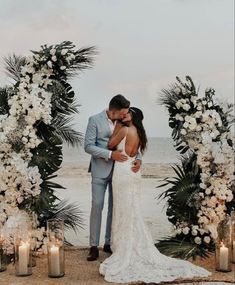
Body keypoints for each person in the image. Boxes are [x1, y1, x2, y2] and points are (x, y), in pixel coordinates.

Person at [99, 107, 211, 283]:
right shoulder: (140, 133)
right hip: (134, 173)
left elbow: (110, 145)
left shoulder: (125, 129)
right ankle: (126, 243)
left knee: (123, 210)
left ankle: (123, 247)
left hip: (122, 172)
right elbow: (136, 153)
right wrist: (138, 160)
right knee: (131, 209)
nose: (124, 115)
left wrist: (118, 126)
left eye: (127, 114)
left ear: (133, 117)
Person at [84, 95, 141, 261]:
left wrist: (139, 159)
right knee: (97, 205)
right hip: (99, 170)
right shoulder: (94, 120)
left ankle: (108, 242)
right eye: (122, 113)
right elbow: (88, 146)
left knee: (114, 207)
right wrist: (110, 154)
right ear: (113, 111)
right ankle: (93, 245)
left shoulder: (124, 122)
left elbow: (137, 139)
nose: (124, 116)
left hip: (120, 172)